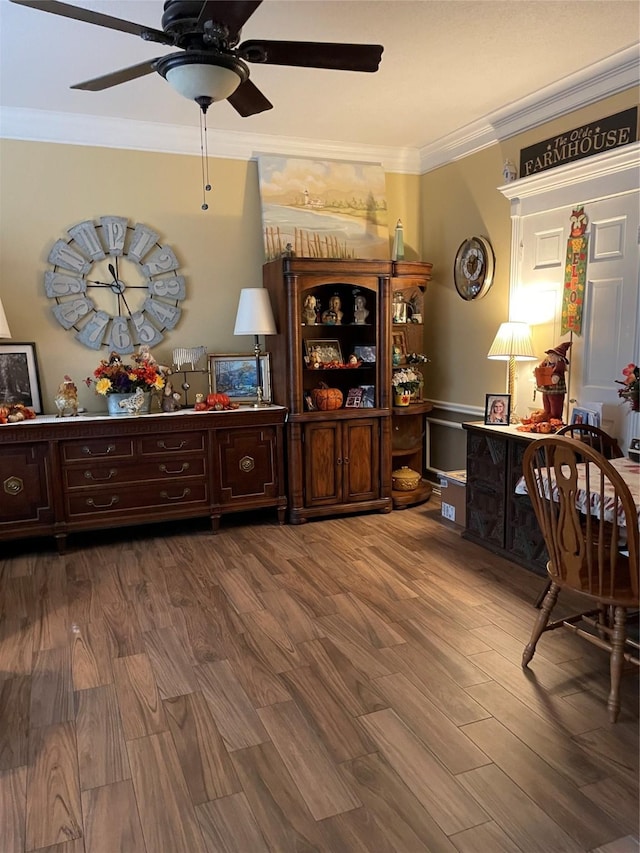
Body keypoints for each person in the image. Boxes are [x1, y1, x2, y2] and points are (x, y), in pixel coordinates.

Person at [534, 341, 571, 420]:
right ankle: (547, 419)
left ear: (559, 357)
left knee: (555, 407)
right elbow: (541, 370)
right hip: (546, 389)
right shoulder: (547, 363)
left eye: (553, 355)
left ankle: (555, 421)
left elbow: (557, 375)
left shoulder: (559, 365)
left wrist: (555, 377)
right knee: (546, 407)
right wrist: (538, 374)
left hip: (556, 390)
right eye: (549, 355)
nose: (550, 357)